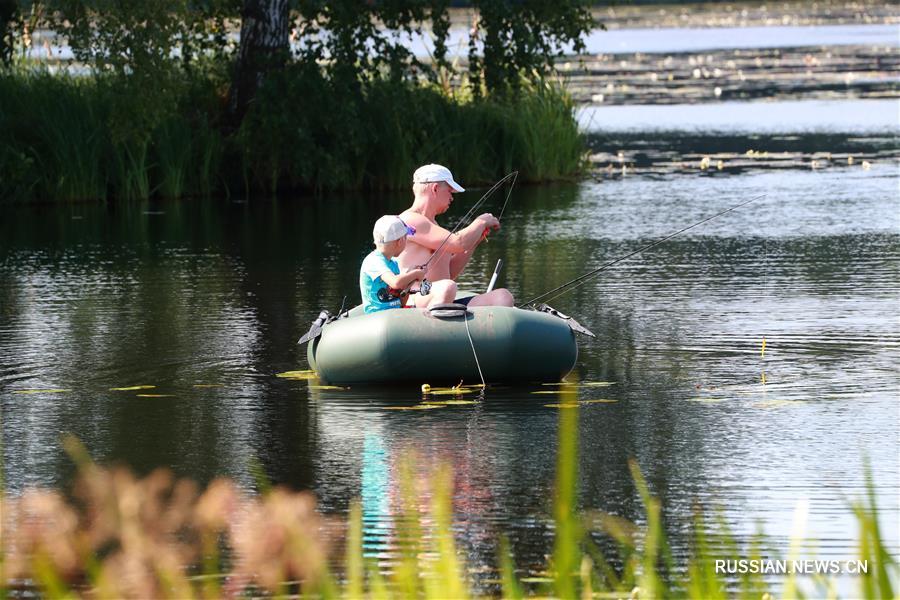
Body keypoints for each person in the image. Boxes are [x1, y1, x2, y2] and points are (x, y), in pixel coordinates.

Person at [397, 164, 515, 307]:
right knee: (446, 287)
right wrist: (481, 222)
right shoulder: (410, 220)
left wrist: (475, 240)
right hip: (417, 300)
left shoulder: (433, 226)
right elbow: (458, 242)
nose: (452, 197)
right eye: (449, 191)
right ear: (435, 189)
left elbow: (450, 271)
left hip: (442, 298)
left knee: (503, 297)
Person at [359, 215, 457, 314]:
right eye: (406, 237)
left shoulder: (393, 263)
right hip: (379, 317)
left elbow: (401, 301)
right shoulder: (374, 261)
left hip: (395, 314)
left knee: (446, 287)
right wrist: (415, 274)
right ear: (400, 241)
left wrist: (409, 278)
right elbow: (395, 283)